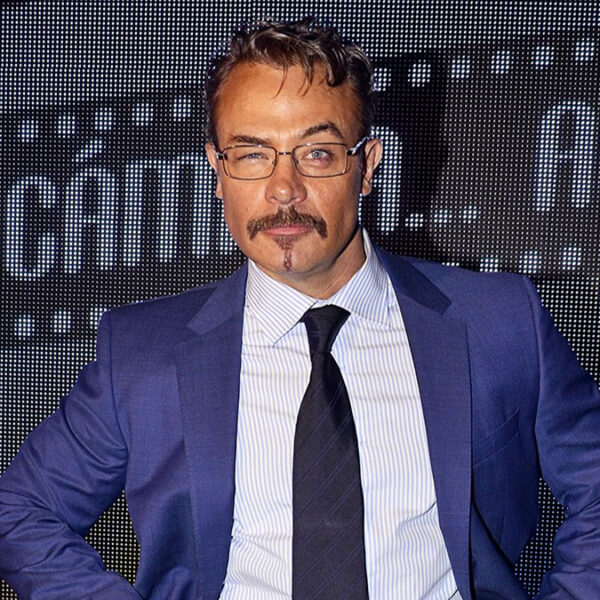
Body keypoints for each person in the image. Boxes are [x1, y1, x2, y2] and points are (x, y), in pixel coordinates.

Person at [1, 18, 599, 600]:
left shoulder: (501, 322)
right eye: (252, 154)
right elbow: (23, 509)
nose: (283, 189)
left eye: (316, 152)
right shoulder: (140, 353)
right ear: (218, 172)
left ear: (367, 166)